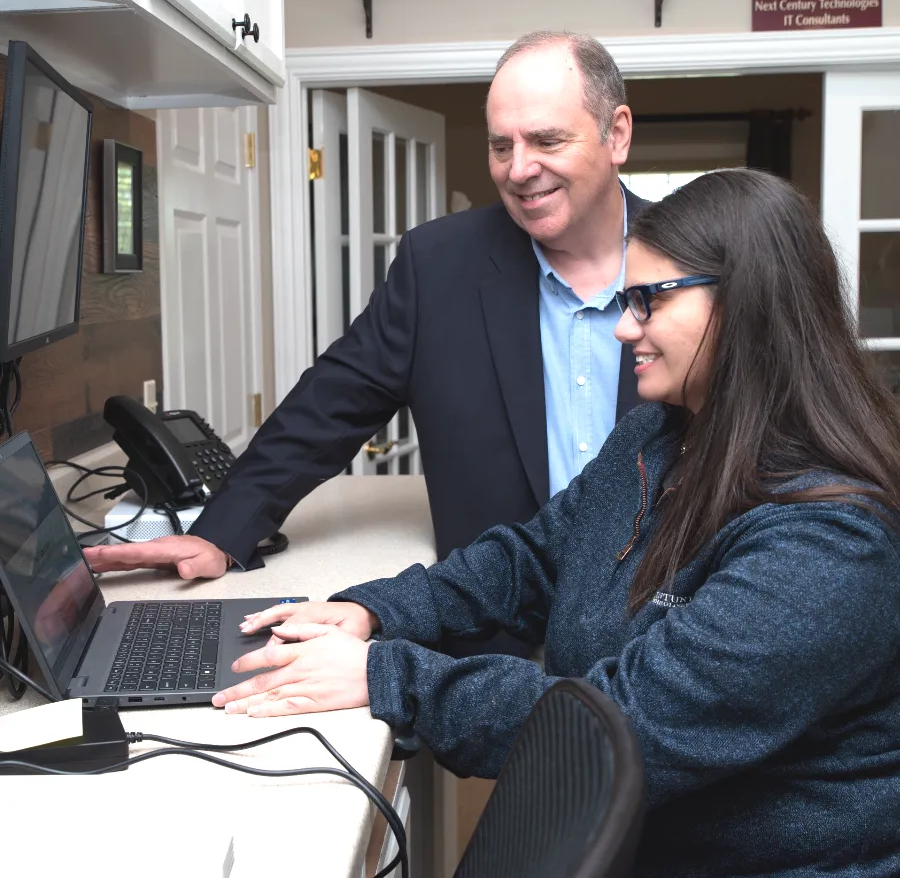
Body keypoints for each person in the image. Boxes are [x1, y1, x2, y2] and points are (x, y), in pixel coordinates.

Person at [211, 170, 900, 877]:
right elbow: (534, 557)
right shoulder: (656, 437)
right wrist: (372, 610)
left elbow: (620, 725)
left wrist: (390, 676)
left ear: (744, 305)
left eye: (648, 301)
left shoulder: (829, 539)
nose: (625, 325)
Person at [84, 30, 649, 582]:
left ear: (616, 135)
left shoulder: (708, 264)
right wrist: (219, 532)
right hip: (493, 626)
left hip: (663, 622)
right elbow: (329, 406)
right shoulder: (439, 266)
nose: (519, 170)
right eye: (501, 146)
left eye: (547, 141)